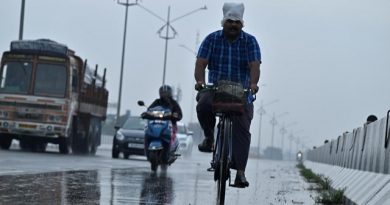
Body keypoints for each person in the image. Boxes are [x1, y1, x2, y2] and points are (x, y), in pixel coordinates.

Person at [194, 2, 261, 188]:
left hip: (241, 93)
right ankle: (209, 137)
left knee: (242, 126)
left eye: (237, 22)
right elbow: (200, 64)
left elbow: (255, 65)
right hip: (215, 90)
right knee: (203, 105)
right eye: (230, 21)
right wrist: (200, 82)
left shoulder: (250, 41)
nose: (233, 25)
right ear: (224, 22)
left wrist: (253, 84)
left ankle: (240, 173)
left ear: (242, 24)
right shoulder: (211, 39)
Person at [148, 85, 183, 163]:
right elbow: (149, 109)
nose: (164, 94)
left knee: (172, 135)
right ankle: (147, 147)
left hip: (170, 124)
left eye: (166, 93)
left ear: (170, 93)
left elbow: (179, 114)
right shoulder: (157, 102)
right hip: (156, 123)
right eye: (163, 92)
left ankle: (171, 151)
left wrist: (176, 115)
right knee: (147, 131)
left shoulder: (174, 103)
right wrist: (146, 113)